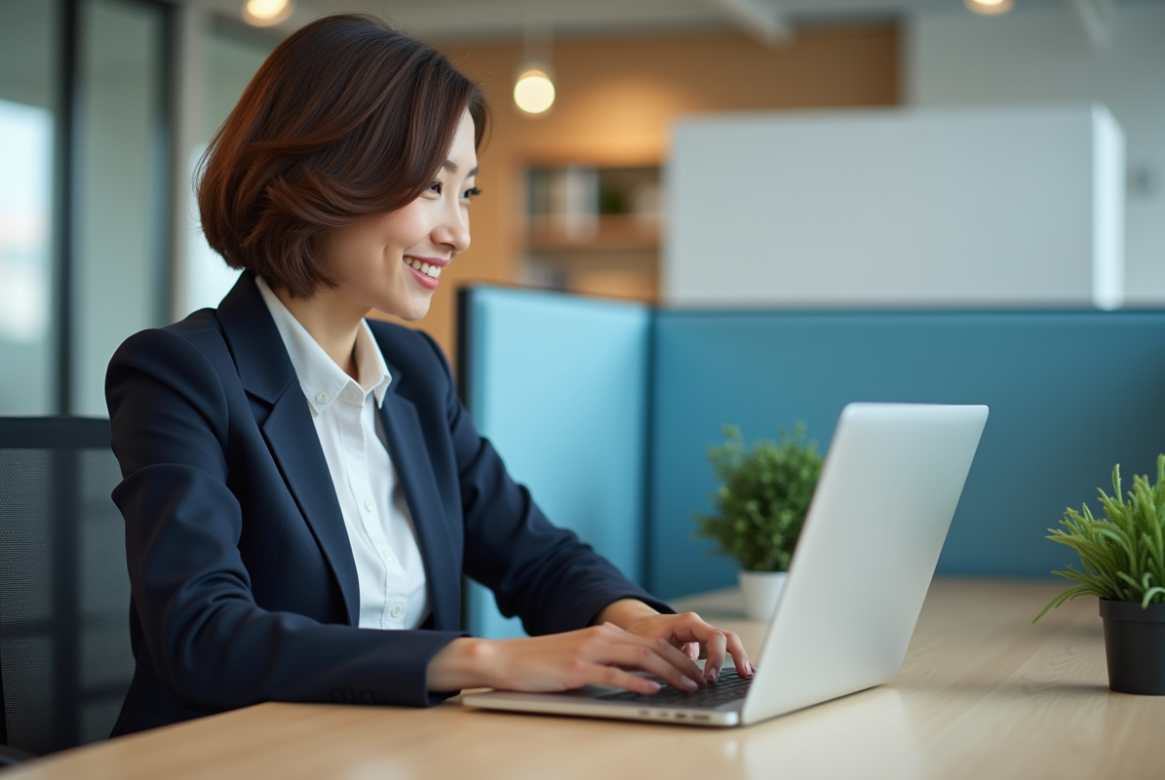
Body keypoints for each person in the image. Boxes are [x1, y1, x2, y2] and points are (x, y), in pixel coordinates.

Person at [105, 14, 750, 736]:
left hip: (396, 752)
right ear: (322, 175)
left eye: (465, 192)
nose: (459, 232)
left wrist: (633, 622)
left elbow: (537, 554)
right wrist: (493, 662)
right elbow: (202, 636)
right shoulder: (182, 372)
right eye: (428, 189)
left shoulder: (413, 373)